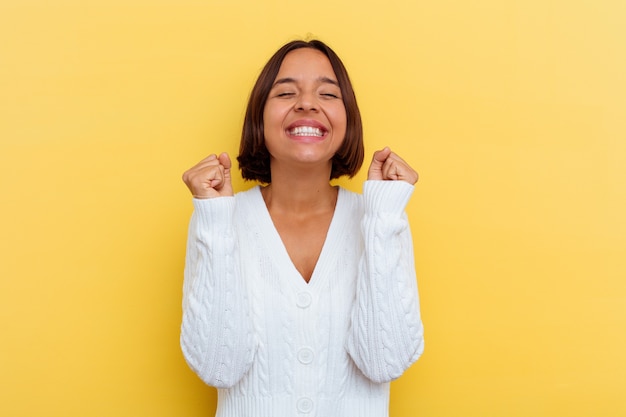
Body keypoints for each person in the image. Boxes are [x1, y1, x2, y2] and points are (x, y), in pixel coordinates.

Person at [180, 39, 424, 417]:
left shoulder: (379, 218)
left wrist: (383, 217)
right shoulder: (219, 219)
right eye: (287, 92)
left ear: (348, 120)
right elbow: (218, 367)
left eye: (328, 93)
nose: (307, 103)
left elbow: (384, 363)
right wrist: (214, 221)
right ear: (259, 118)